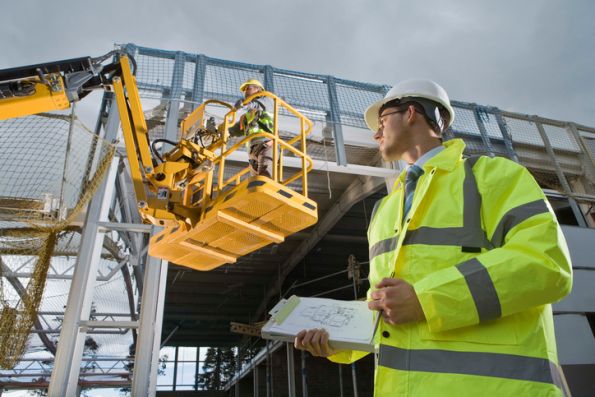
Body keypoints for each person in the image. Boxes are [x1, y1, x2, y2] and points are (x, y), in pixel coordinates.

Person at [294, 79, 573, 396]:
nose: (375, 133)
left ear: (411, 113)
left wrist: (425, 299)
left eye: (382, 121)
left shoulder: (494, 176)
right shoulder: (386, 210)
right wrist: (339, 339)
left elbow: (545, 265)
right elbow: (387, 307)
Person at [228, 79, 274, 178]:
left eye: (248, 88)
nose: (245, 92)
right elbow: (234, 130)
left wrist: (246, 104)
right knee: (255, 183)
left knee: (264, 180)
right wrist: (221, 132)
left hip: (266, 145)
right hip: (253, 151)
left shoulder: (268, 100)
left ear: (259, 90)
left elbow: (259, 104)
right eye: (244, 90)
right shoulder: (248, 115)